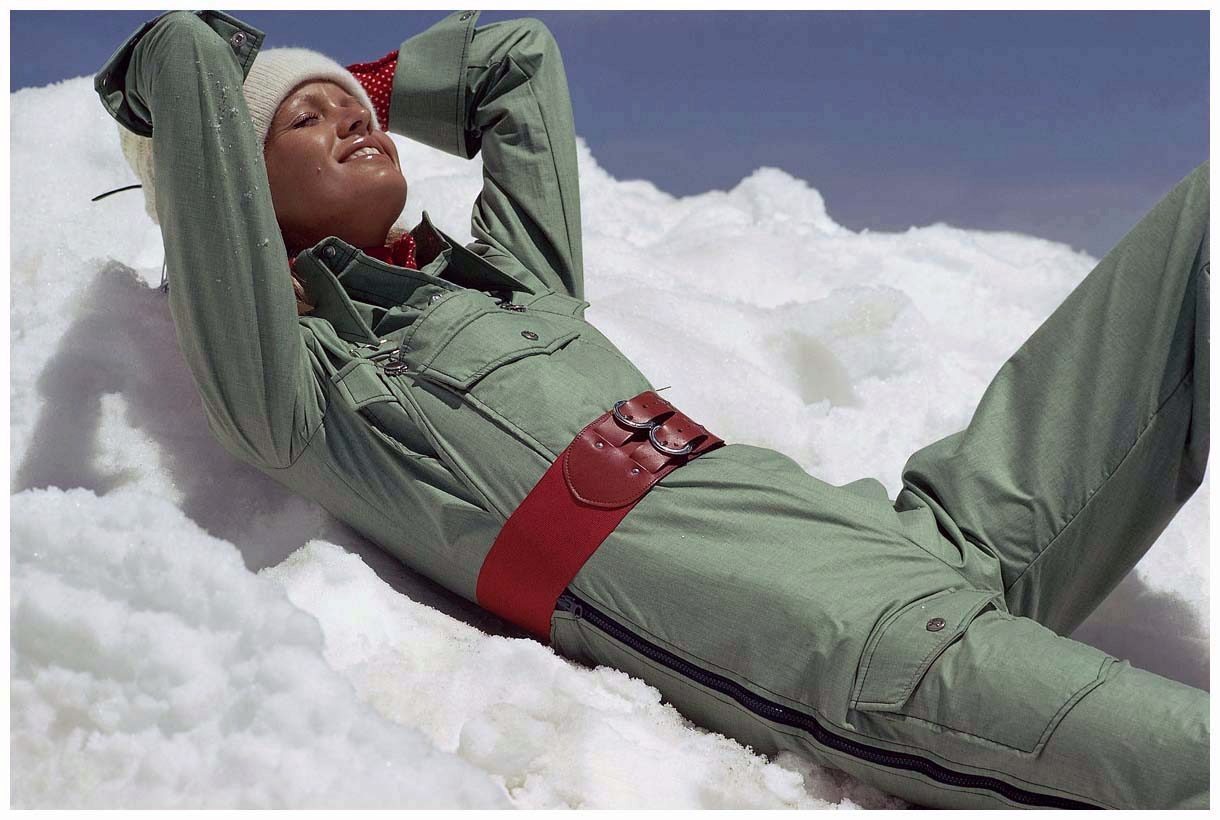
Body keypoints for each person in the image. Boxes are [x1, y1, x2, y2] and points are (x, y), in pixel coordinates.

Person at [95, 9, 1208, 809]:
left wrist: (352, 87)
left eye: (355, 107)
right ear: (235, 190)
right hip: (872, 656)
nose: (350, 120)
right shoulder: (311, 400)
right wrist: (204, 107)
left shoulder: (514, 286)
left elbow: (515, 59)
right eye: (305, 120)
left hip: (932, 529)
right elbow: (183, 54)